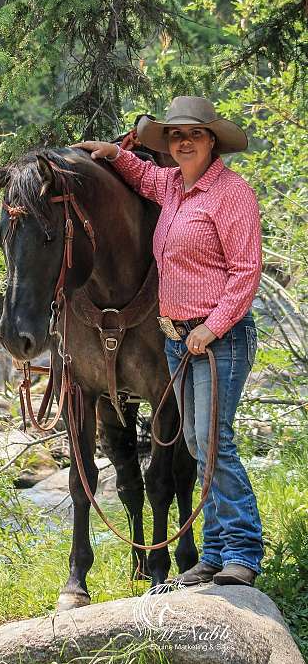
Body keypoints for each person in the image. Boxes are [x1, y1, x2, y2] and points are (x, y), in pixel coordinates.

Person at [73, 95, 263, 587]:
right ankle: (216, 554)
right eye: (175, 135)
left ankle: (242, 552)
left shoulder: (232, 195)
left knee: (215, 445)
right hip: (180, 340)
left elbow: (246, 272)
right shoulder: (175, 188)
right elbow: (142, 176)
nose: (183, 142)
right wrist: (113, 155)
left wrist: (212, 326)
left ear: (212, 141)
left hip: (219, 337)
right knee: (200, 447)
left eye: (193, 134)